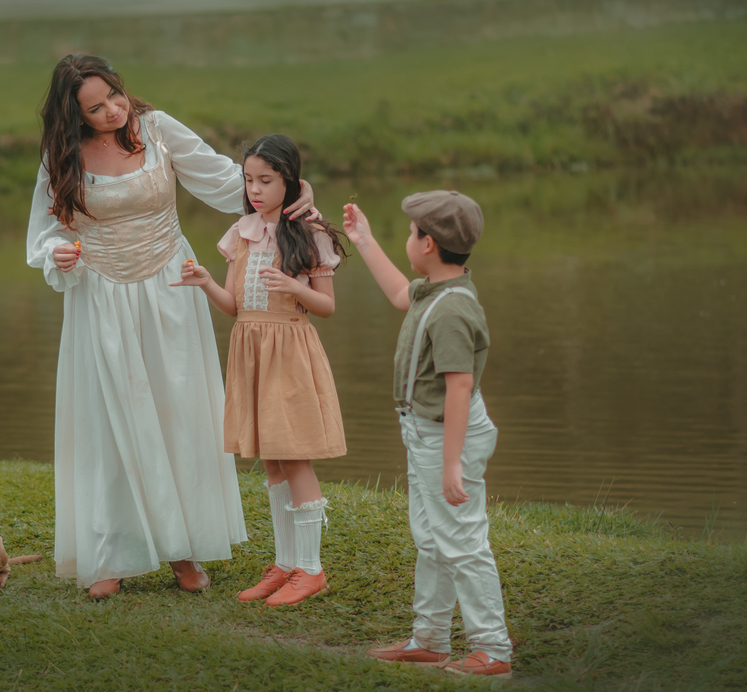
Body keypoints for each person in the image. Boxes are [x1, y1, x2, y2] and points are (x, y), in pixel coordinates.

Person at [25, 55, 317, 599]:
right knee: (112, 419)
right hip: (101, 294)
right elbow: (45, 231)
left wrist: (291, 194)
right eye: (96, 107)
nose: (113, 110)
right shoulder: (60, 157)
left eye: (114, 95)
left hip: (170, 285)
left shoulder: (156, 129)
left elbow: (229, 182)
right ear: (74, 115)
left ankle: (184, 550)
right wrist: (59, 255)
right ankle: (111, 553)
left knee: (177, 410)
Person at [172, 134, 348, 607]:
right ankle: (286, 563)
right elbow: (233, 307)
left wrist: (294, 285)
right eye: (249, 179)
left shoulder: (311, 234)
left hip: (289, 349)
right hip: (249, 348)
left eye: (265, 181)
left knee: (294, 456)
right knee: (271, 460)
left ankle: (311, 570)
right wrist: (205, 280)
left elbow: (326, 307)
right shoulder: (241, 232)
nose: (254, 189)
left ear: (289, 182)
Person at [343, 191, 513, 679]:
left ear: (429, 244)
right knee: (432, 537)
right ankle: (431, 638)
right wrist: (366, 241)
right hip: (425, 434)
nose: (407, 240)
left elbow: (459, 387)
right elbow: (400, 295)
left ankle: (493, 649)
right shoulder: (433, 289)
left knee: (461, 539)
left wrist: (452, 463)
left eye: (410, 233)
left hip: (446, 437)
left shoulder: (453, 310)